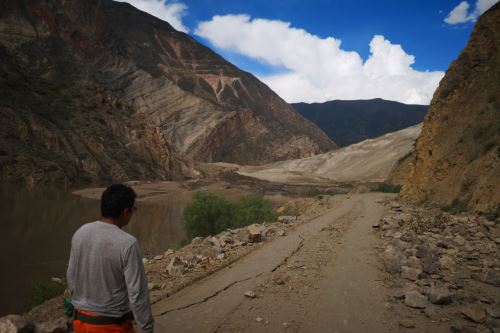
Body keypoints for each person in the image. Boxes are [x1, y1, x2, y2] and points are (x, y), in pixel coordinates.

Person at [67, 184, 154, 333]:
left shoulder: (80, 233)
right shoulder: (127, 243)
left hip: (80, 322)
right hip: (111, 327)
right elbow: (137, 294)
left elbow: (71, 277)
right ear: (126, 212)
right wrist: (147, 329)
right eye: (133, 209)